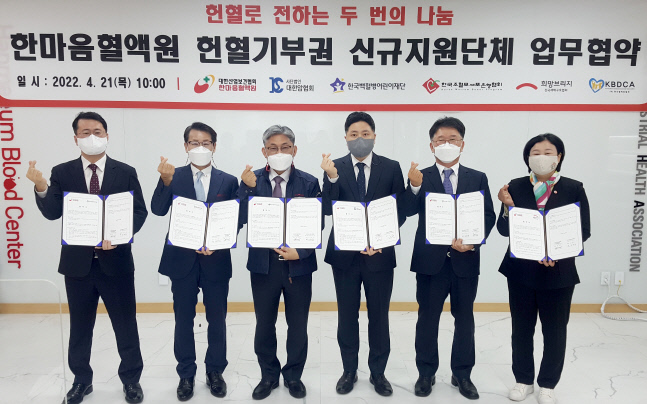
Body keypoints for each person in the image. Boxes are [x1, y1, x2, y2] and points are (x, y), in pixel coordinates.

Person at [27, 111, 147, 404]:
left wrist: (118, 236)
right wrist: (41, 186)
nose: (92, 137)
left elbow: (139, 211)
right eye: (85, 133)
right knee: (80, 327)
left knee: (125, 325)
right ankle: (81, 380)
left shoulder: (125, 171)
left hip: (116, 263)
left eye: (97, 132)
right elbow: (53, 212)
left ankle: (131, 380)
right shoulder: (62, 172)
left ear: (107, 135)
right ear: (75, 138)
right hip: (77, 266)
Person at [400, 116, 495, 400]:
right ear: (432, 145)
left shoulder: (477, 177)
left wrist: (473, 242)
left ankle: (462, 374)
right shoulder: (420, 176)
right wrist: (413, 186)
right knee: (427, 319)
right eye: (440, 140)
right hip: (430, 262)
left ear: (462, 144)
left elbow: (488, 215)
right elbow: (406, 211)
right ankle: (426, 373)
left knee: (464, 320)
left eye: (453, 139)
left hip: (465, 261)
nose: (447, 144)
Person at [496, 134, 590, 404]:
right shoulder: (515, 186)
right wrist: (507, 206)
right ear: (527, 157)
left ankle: (548, 384)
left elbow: (583, 229)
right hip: (521, 272)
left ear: (559, 156)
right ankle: (523, 380)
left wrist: (556, 254)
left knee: (555, 331)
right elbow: (503, 229)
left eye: (548, 152)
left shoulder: (573, 188)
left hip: (558, 273)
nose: (541, 157)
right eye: (535, 152)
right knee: (521, 329)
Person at [150, 122, 239, 401]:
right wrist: (164, 182)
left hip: (216, 261)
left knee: (217, 319)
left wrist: (218, 241)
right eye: (194, 143)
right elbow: (157, 209)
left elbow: (235, 220)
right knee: (183, 319)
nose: (200, 147)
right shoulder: (172, 175)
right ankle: (186, 374)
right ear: (186, 146)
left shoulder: (229, 180)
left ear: (214, 146)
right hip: (181, 260)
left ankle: (215, 371)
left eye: (206, 143)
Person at [321, 111, 406, 397]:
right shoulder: (333, 167)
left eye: (365, 134)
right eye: (354, 134)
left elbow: (399, 211)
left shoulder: (391, 167)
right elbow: (327, 208)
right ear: (345, 137)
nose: (360, 139)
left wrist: (382, 238)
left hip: (379, 255)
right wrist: (332, 178)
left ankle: (378, 373)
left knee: (379, 316)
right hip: (345, 256)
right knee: (347, 316)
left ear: (374, 136)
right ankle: (349, 370)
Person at [237, 125, 322, 400]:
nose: (279, 152)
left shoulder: (309, 182)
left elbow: (317, 223)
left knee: (298, 325)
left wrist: (303, 252)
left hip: (298, 265)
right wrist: (245, 189)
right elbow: (238, 219)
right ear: (264, 151)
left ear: (294, 150)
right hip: (264, 265)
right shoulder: (252, 180)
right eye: (272, 148)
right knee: (264, 324)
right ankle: (268, 376)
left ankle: (293, 376)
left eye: (285, 147)